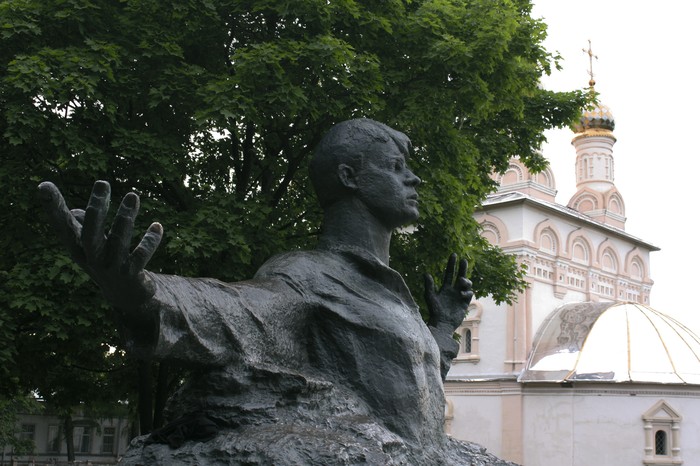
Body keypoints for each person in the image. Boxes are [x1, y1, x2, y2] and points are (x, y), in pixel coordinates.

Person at [39, 119, 510, 465]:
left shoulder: (389, 290)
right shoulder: (305, 275)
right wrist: (142, 292)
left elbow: (406, 388)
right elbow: (232, 307)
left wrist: (444, 326)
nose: (415, 178)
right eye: (396, 167)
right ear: (350, 177)